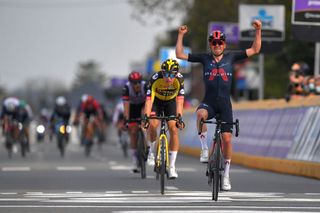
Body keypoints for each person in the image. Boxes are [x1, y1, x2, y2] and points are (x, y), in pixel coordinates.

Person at [176, 20, 262, 190]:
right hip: (208, 103)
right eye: (214, 43)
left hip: (224, 105)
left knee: (227, 140)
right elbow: (179, 54)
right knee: (200, 114)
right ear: (210, 44)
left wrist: (258, 30)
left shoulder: (232, 56)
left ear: (224, 44)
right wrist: (180, 35)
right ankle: (204, 148)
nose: (216, 45)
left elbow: (255, 49)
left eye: (220, 42)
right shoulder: (204, 57)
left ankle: (227, 176)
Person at [143, 59, 185, 179]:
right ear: (162, 72)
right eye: (166, 74)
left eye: (172, 74)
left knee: (173, 129)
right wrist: (146, 117)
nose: (168, 78)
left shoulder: (180, 79)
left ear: (176, 74)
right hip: (156, 102)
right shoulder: (155, 78)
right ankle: (151, 151)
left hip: (171, 102)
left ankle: (172, 166)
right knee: (153, 125)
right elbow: (149, 100)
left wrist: (179, 117)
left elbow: (180, 101)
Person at [122, 71, 148, 173]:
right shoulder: (126, 88)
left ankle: (147, 147)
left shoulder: (145, 86)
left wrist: (146, 118)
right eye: (134, 83)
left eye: (138, 82)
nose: (136, 85)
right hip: (132, 108)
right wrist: (126, 120)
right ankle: (134, 159)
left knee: (146, 126)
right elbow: (126, 106)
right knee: (133, 132)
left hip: (143, 106)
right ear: (130, 83)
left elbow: (148, 103)